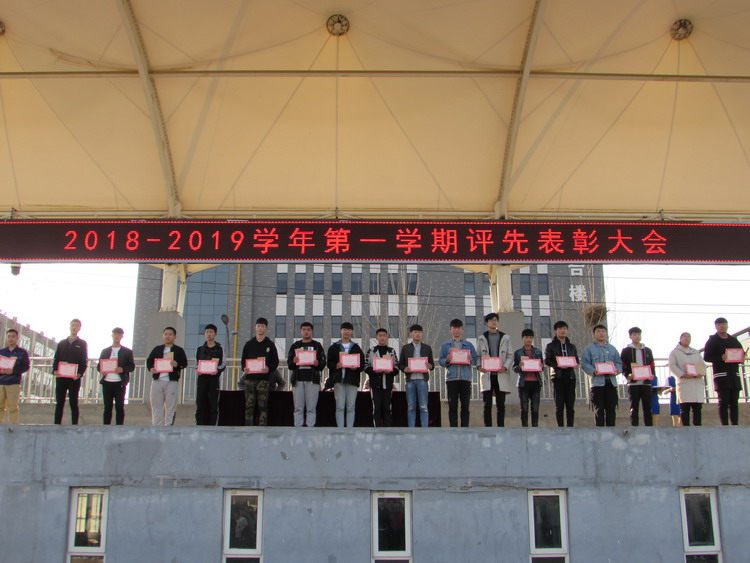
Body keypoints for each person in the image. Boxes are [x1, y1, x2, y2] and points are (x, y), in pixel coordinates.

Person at [704, 317, 745, 425]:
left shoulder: (733, 340)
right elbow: (707, 357)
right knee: (723, 401)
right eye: (719, 324)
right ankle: (725, 425)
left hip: (734, 376)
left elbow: (741, 352)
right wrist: (720, 357)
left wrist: (742, 357)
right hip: (721, 376)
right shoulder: (712, 340)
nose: (722, 326)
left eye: (724, 324)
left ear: (727, 325)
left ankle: (735, 424)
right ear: (716, 327)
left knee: (734, 402)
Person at [439, 319, 478, 428]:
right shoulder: (445, 345)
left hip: (465, 378)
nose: (456, 330)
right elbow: (441, 361)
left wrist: (470, 359)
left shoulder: (469, 345)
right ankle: (453, 429)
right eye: (454, 328)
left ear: (462, 329)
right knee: (452, 405)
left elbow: (475, 361)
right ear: (450, 329)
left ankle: (465, 428)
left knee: (465, 405)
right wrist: (447, 359)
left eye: (458, 328)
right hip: (452, 379)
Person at [476, 313, 513, 427]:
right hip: (487, 374)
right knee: (487, 404)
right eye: (491, 320)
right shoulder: (481, 338)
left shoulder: (505, 338)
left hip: (500, 374)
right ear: (486, 323)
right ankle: (488, 427)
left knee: (501, 404)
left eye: (496, 320)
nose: (494, 322)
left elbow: (510, 355)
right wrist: (479, 366)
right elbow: (478, 356)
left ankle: (500, 427)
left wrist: (505, 367)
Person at [581, 324, 622, 427]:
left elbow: (619, 363)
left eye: (603, 331)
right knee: (599, 409)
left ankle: (611, 431)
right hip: (597, 384)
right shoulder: (589, 349)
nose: (601, 333)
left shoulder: (612, 349)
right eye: (598, 331)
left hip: (611, 383)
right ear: (594, 334)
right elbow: (584, 364)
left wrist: (616, 370)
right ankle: (600, 432)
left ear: (606, 333)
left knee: (611, 408)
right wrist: (594, 371)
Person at [146, 326, 188, 426]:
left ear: (174, 336)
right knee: (156, 406)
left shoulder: (179, 350)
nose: (167, 336)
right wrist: (151, 368)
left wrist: (177, 364)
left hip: (171, 381)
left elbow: (184, 363)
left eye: (170, 334)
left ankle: (169, 426)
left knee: (171, 406)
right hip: (157, 380)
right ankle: (156, 426)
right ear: (163, 336)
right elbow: (149, 361)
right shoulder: (157, 349)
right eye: (165, 334)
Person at [287, 321, 326, 427]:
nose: (306, 332)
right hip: (298, 379)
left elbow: (323, 362)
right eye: (304, 330)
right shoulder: (295, 345)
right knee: (298, 407)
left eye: (308, 330)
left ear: (312, 331)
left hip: (313, 379)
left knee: (311, 407)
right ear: (301, 331)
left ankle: (310, 427)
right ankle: (298, 427)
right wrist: (293, 361)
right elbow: (289, 364)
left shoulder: (317, 346)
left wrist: (318, 363)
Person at [326, 322, 365, 428]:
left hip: (352, 381)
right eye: (344, 330)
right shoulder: (334, 347)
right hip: (339, 380)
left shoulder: (356, 348)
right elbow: (329, 363)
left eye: (349, 330)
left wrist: (356, 367)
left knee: (351, 407)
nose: (346, 332)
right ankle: (340, 429)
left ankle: (349, 429)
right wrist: (336, 365)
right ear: (341, 331)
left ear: (351, 332)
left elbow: (362, 365)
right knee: (339, 407)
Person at [241, 318, 279, 426]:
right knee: (249, 405)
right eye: (258, 326)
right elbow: (243, 360)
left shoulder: (270, 344)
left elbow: (275, 361)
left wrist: (268, 368)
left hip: (263, 380)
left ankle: (262, 428)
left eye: (262, 326)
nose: (260, 328)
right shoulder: (249, 344)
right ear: (255, 327)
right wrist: (244, 368)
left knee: (263, 405)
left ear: (266, 328)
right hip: (250, 379)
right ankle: (248, 427)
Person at [398, 324, 435, 428]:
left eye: (419, 332)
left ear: (422, 333)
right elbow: (400, 364)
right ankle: (411, 429)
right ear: (411, 334)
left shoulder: (427, 348)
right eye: (415, 332)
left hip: (422, 380)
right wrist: (404, 369)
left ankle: (424, 429)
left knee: (423, 406)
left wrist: (430, 366)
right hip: (410, 380)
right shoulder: (405, 348)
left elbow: (432, 365)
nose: (417, 334)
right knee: (411, 406)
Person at [53, 319, 88, 425]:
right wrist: (54, 370)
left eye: (76, 326)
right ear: (69, 326)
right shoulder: (62, 343)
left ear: (79, 328)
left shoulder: (82, 343)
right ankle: (56, 425)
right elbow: (56, 358)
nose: (74, 327)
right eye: (73, 325)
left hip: (74, 378)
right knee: (59, 402)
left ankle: (74, 426)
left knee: (73, 402)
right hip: (61, 377)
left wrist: (80, 373)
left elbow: (84, 360)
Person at [97, 327, 135, 425]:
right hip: (107, 382)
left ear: (122, 336)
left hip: (120, 383)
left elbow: (132, 366)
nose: (117, 336)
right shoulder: (105, 351)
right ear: (112, 335)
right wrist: (102, 371)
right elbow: (99, 365)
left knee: (119, 407)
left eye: (119, 334)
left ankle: (119, 427)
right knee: (107, 407)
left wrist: (123, 369)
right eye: (115, 334)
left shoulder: (127, 351)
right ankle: (106, 427)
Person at [544, 321, 579, 427]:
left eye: (564, 328)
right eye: (560, 329)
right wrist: (557, 365)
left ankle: (570, 427)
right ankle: (560, 427)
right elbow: (547, 360)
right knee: (559, 405)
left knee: (570, 405)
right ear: (556, 331)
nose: (563, 331)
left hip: (570, 376)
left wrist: (575, 364)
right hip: (558, 377)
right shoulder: (550, 346)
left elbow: (576, 360)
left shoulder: (572, 346)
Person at [668, 332, 707, 426]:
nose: (687, 339)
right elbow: (672, 366)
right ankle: (686, 429)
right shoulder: (675, 352)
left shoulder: (695, 352)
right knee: (685, 408)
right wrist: (682, 374)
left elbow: (702, 365)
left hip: (696, 383)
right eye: (684, 337)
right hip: (685, 383)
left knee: (697, 408)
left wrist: (701, 372)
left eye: (689, 337)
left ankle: (698, 429)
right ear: (680, 339)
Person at [620, 327, 655, 426]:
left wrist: (652, 375)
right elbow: (623, 365)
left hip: (646, 383)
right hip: (633, 384)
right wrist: (627, 375)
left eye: (639, 334)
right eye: (634, 335)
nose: (637, 336)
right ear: (630, 336)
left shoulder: (647, 350)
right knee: (634, 406)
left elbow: (652, 365)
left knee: (648, 407)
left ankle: (649, 427)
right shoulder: (626, 351)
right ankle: (634, 427)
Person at [365, 328, 400, 427]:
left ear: (387, 337)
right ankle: (376, 429)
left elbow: (397, 367)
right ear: (376, 337)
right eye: (380, 335)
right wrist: (375, 371)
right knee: (376, 408)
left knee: (387, 408)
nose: (382, 338)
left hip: (387, 384)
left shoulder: (391, 351)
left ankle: (387, 429)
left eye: (384, 335)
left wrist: (390, 371)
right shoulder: (372, 351)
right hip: (375, 385)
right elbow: (365, 366)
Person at [195, 323, 226, 426]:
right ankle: (198, 424)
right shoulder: (200, 349)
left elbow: (223, 364)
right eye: (207, 332)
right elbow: (197, 363)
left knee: (214, 404)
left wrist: (217, 370)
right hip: (202, 379)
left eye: (211, 332)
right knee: (200, 404)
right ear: (204, 334)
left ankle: (214, 426)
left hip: (214, 379)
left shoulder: (219, 348)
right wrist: (197, 369)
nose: (209, 334)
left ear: (215, 334)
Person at [513, 329, 544, 427]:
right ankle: (524, 428)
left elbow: (542, 367)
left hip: (536, 382)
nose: (528, 340)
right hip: (523, 383)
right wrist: (519, 366)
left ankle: (535, 427)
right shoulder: (518, 353)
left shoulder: (538, 352)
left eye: (530, 337)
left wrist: (541, 366)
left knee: (535, 408)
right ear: (522, 339)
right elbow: (514, 369)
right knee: (524, 407)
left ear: (533, 339)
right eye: (526, 337)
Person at [0, 328, 30, 424]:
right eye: (9, 336)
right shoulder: (1, 352)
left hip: (13, 383)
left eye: (13, 336)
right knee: (0, 406)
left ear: (17, 338)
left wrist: (13, 371)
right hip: (1, 383)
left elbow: (26, 366)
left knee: (12, 407)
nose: (11, 339)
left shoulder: (22, 352)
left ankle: (14, 427)